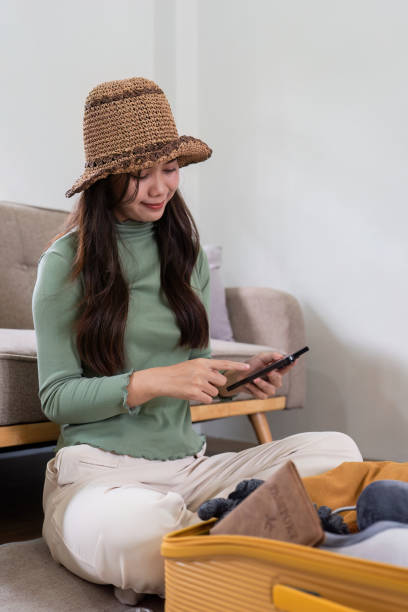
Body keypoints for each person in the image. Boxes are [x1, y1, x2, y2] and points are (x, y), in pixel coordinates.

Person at [32, 77, 363, 605]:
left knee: (336, 452)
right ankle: (259, 546)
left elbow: (194, 372)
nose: (160, 187)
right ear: (105, 179)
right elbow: (56, 397)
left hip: (191, 470)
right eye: (140, 174)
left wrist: (237, 378)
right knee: (135, 529)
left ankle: (210, 552)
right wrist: (152, 381)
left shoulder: (186, 257)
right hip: (99, 477)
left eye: (169, 169)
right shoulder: (62, 265)